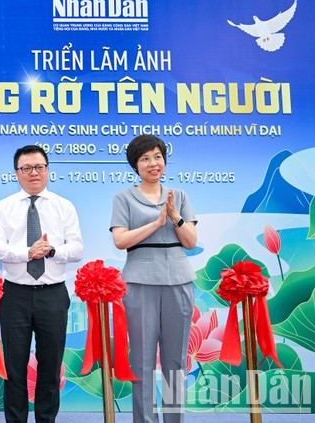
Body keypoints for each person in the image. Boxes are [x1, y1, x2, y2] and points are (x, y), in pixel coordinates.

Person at [0, 144, 83, 423]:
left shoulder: (64, 206)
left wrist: (52, 251)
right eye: (26, 168)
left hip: (52, 294)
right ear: (16, 173)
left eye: (39, 167)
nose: (33, 173)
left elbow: (77, 248)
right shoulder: (4, 207)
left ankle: (46, 420)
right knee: (14, 366)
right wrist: (26, 253)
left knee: (50, 365)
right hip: (15, 294)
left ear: (48, 170)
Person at [109, 134, 197, 423]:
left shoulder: (179, 196)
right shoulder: (123, 198)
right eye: (145, 158)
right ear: (135, 164)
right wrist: (156, 223)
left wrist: (174, 218)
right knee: (143, 361)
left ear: (164, 161)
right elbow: (120, 240)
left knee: (175, 362)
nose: (152, 163)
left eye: (157, 156)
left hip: (179, 281)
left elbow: (191, 242)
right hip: (140, 282)